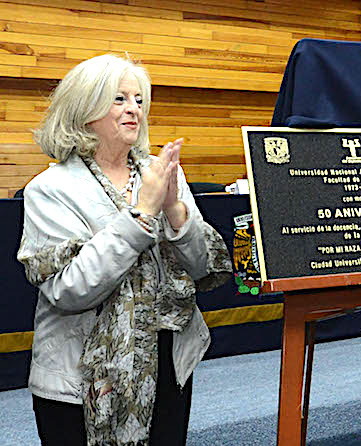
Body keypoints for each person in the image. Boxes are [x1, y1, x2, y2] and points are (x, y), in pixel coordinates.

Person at [17, 54, 232, 446]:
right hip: (81, 377)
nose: (133, 109)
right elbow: (70, 290)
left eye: (138, 99)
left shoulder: (162, 171)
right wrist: (143, 215)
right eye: (118, 99)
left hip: (169, 362)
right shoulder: (49, 190)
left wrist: (173, 209)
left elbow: (203, 266)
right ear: (85, 110)